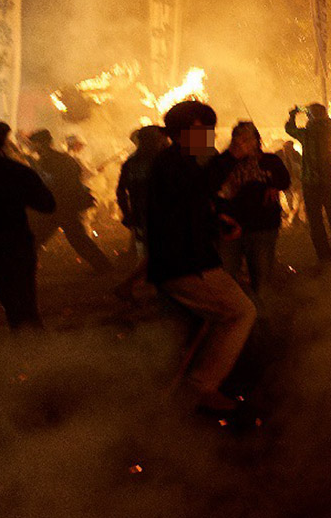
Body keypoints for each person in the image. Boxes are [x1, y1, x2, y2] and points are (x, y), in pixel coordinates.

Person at [147, 100, 256, 412]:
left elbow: (188, 206)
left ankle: (170, 398)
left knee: (192, 331)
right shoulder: (170, 163)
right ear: (185, 131)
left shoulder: (182, 162)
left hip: (183, 259)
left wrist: (216, 223)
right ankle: (200, 388)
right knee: (240, 311)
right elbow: (194, 192)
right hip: (183, 263)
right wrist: (231, 157)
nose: (210, 135)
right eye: (204, 129)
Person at [0, 120, 57, 337]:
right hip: (13, 246)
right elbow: (47, 205)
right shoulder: (16, 171)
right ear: (1, 143)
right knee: (22, 309)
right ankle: (34, 362)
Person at [209, 122, 291, 297]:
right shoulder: (224, 162)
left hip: (263, 227)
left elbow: (285, 180)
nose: (243, 143)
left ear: (256, 140)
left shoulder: (270, 161)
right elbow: (210, 184)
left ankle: (262, 318)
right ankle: (234, 316)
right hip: (230, 228)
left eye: (247, 138)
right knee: (226, 278)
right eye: (238, 138)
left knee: (261, 280)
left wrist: (274, 186)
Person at [26, 128, 113, 273]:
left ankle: (104, 266)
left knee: (73, 239)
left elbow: (55, 183)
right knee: (73, 238)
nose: (31, 147)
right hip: (62, 205)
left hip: (61, 206)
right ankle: (104, 266)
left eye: (33, 144)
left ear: (40, 144)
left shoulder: (51, 161)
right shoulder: (61, 158)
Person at [113, 125, 170, 299]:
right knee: (151, 253)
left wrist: (127, 214)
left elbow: (121, 191)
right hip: (149, 216)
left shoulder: (135, 162)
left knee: (152, 253)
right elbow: (121, 190)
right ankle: (141, 287)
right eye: (157, 139)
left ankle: (142, 286)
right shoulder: (139, 163)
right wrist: (127, 214)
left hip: (156, 215)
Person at [285, 103, 331, 263]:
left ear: (312, 117)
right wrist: (313, 114)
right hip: (330, 182)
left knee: (316, 222)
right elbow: (324, 120)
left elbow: (290, 129)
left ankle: (325, 257)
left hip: (312, 184)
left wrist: (293, 115)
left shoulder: (309, 133)